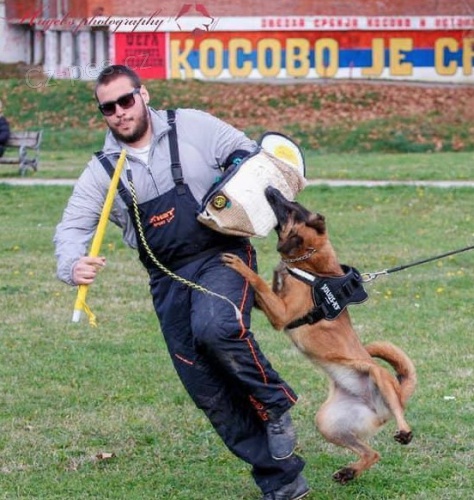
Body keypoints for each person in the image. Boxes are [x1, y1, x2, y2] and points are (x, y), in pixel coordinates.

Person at [54, 64, 309, 500]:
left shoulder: (192, 125)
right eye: (108, 108)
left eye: (125, 100)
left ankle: (275, 402)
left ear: (143, 95)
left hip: (221, 254)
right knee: (205, 387)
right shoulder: (103, 169)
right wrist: (72, 263)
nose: (119, 112)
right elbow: (72, 226)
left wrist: (234, 177)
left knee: (216, 327)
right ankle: (283, 481)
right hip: (167, 278)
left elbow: (247, 154)